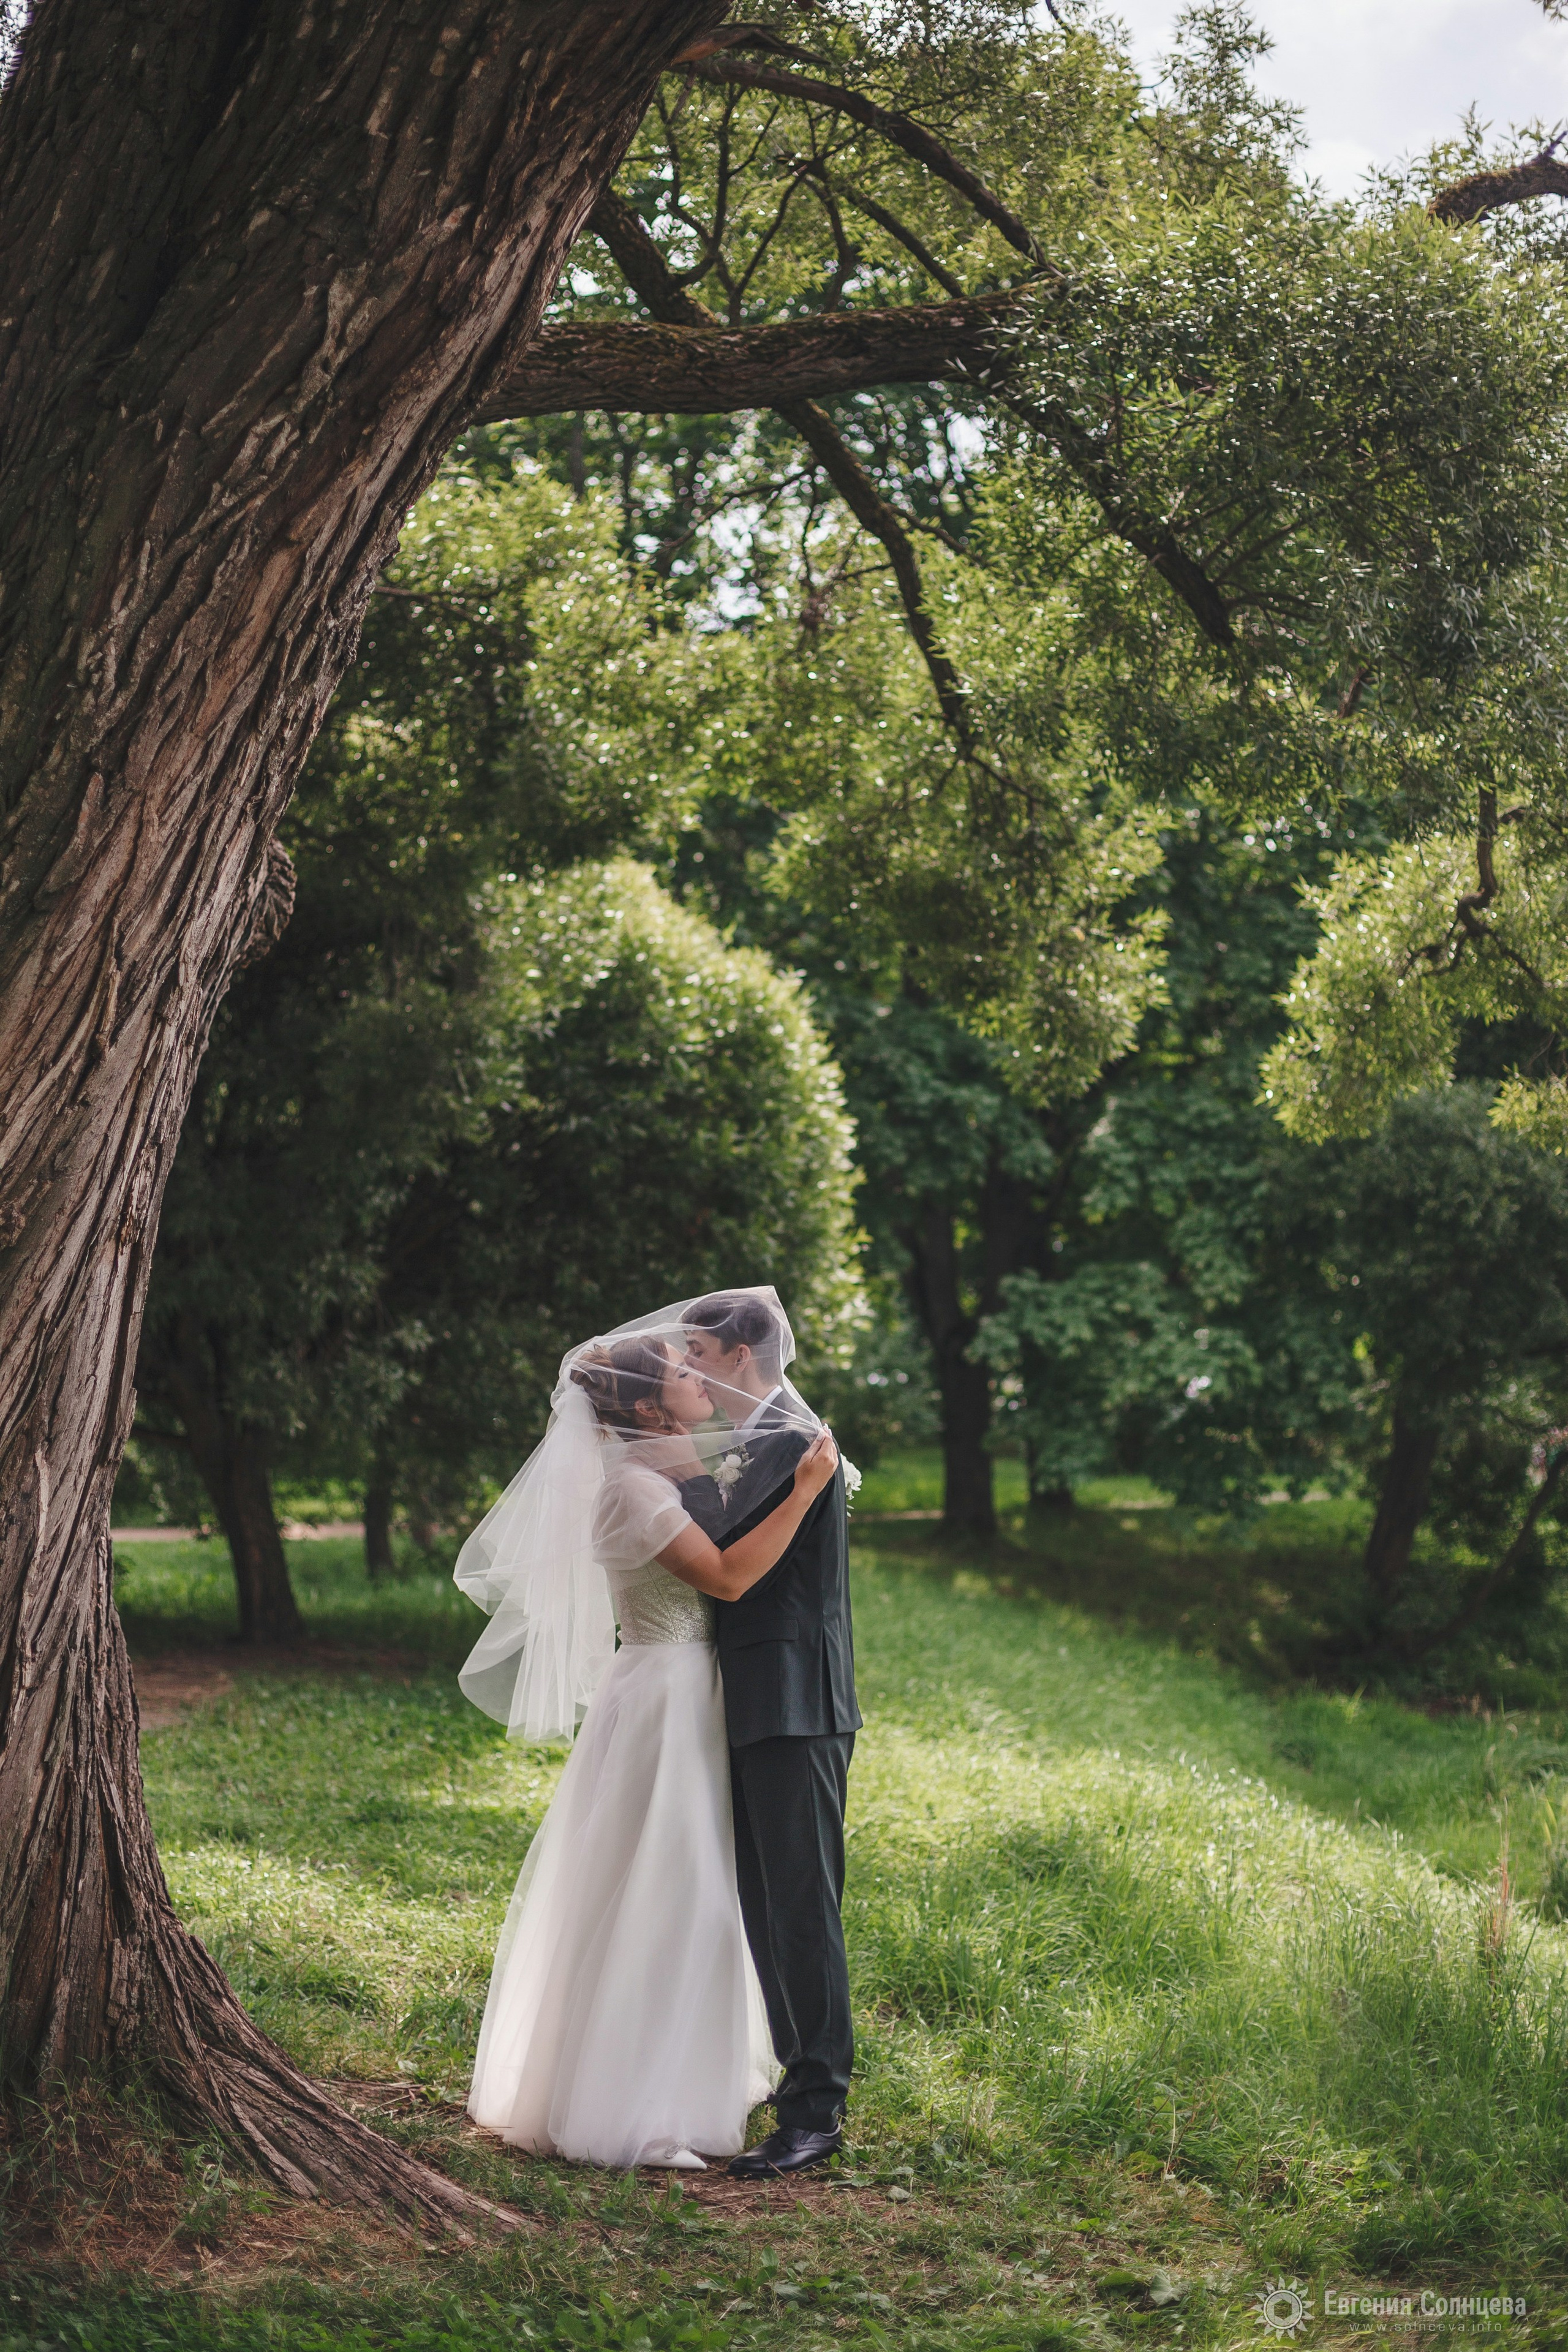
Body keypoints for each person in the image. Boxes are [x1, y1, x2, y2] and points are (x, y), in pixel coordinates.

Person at [454, 1305, 839, 2170]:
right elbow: (733, 1580)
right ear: (652, 1410)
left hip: (685, 1695)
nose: (697, 1381)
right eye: (679, 1373)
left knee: (690, 1894)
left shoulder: (664, 1472)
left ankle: (673, 2085)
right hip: (666, 1701)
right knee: (671, 1895)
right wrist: (809, 1489)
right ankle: (635, 2110)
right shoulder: (631, 1492)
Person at [678, 1290, 861, 2179]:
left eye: (698, 1355)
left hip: (795, 1701)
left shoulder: (790, 1440)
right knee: (766, 1901)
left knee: (799, 1906)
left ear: (741, 1355)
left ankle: (818, 2109)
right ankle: (797, 2086)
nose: (689, 1372)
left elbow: (727, 1566)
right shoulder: (765, 1438)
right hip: (758, 1697)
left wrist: (649, 1476)